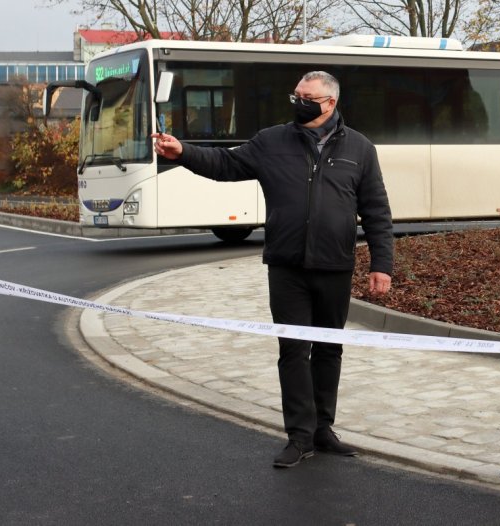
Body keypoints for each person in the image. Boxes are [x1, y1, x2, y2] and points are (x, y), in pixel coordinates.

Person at [152, 71, 394, 468]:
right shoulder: (272, 141)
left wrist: (381, 264)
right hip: (287, 267)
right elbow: (224, 164)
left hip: (335, 266)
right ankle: (299, 436)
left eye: (307, 96)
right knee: (294, 351)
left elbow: (377, 212)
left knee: (329, 349)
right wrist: (184, 152)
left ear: (329, 103)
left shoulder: (361, 149)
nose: (298, 101)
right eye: (296, 94)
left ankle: (323, 429)